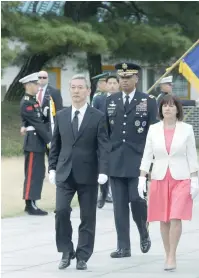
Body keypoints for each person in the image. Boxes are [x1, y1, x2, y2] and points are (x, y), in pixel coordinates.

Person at [48, 74, 109, 270]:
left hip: (89, 173)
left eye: (80, 87)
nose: (76, 91)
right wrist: (51, 168)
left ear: (88, 91)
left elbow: (104, 147)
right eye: (73, 87)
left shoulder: (97, 117)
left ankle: (83, 255)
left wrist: (103, 170)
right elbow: (55, 145)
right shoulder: (62, 116)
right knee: (61, 211)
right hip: (65, 173)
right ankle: (66, 250)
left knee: (88, 216)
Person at [138, 94, 199, 271]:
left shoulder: (186, 129)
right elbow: (147, 155)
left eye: (172, 106)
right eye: (165, 105)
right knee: (163, 219)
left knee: (175, 216)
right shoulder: (153, 129)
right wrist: (142, 177)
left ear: (177, 109)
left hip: (181, 178)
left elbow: (192, 156)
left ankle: (173, 254)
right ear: (160, 109)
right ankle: (167, 253)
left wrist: (195, 179)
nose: (168, 108)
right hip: (159, 177)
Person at [105, 62, 158, 258]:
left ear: (136, 79)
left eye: (128, 78)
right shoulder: (110, 101)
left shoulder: (148, 101)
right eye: (121, 78)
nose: (124, 81)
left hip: (139, 161)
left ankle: (144, 232)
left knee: (136, 200)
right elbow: (105, 133)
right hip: (116, 160)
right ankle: (123, 246)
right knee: (119, 205)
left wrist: (152, 163)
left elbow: (154, 133)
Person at [19, 72, 51, 216]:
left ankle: (33, 202)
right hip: (33, 142)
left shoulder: (34, 101)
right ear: (28, 85)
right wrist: (50, 140)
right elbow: (37, 124)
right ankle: (29, 204)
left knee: (38, 174)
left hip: (37, 142)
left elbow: (37, 120)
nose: (39, 86)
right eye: (36, 84)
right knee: (32, 174)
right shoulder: (27, 102)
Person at [96, 75, 120, 209]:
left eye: (114, 83)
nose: (111, 85)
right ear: (105, 85)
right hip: (103, 138)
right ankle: (103, 194)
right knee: (103, 167)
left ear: (118, 84)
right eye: (109, 83)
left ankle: (117, 195)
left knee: (116, 167)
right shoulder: (99, 99)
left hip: (117, 139)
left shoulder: (122, 98)